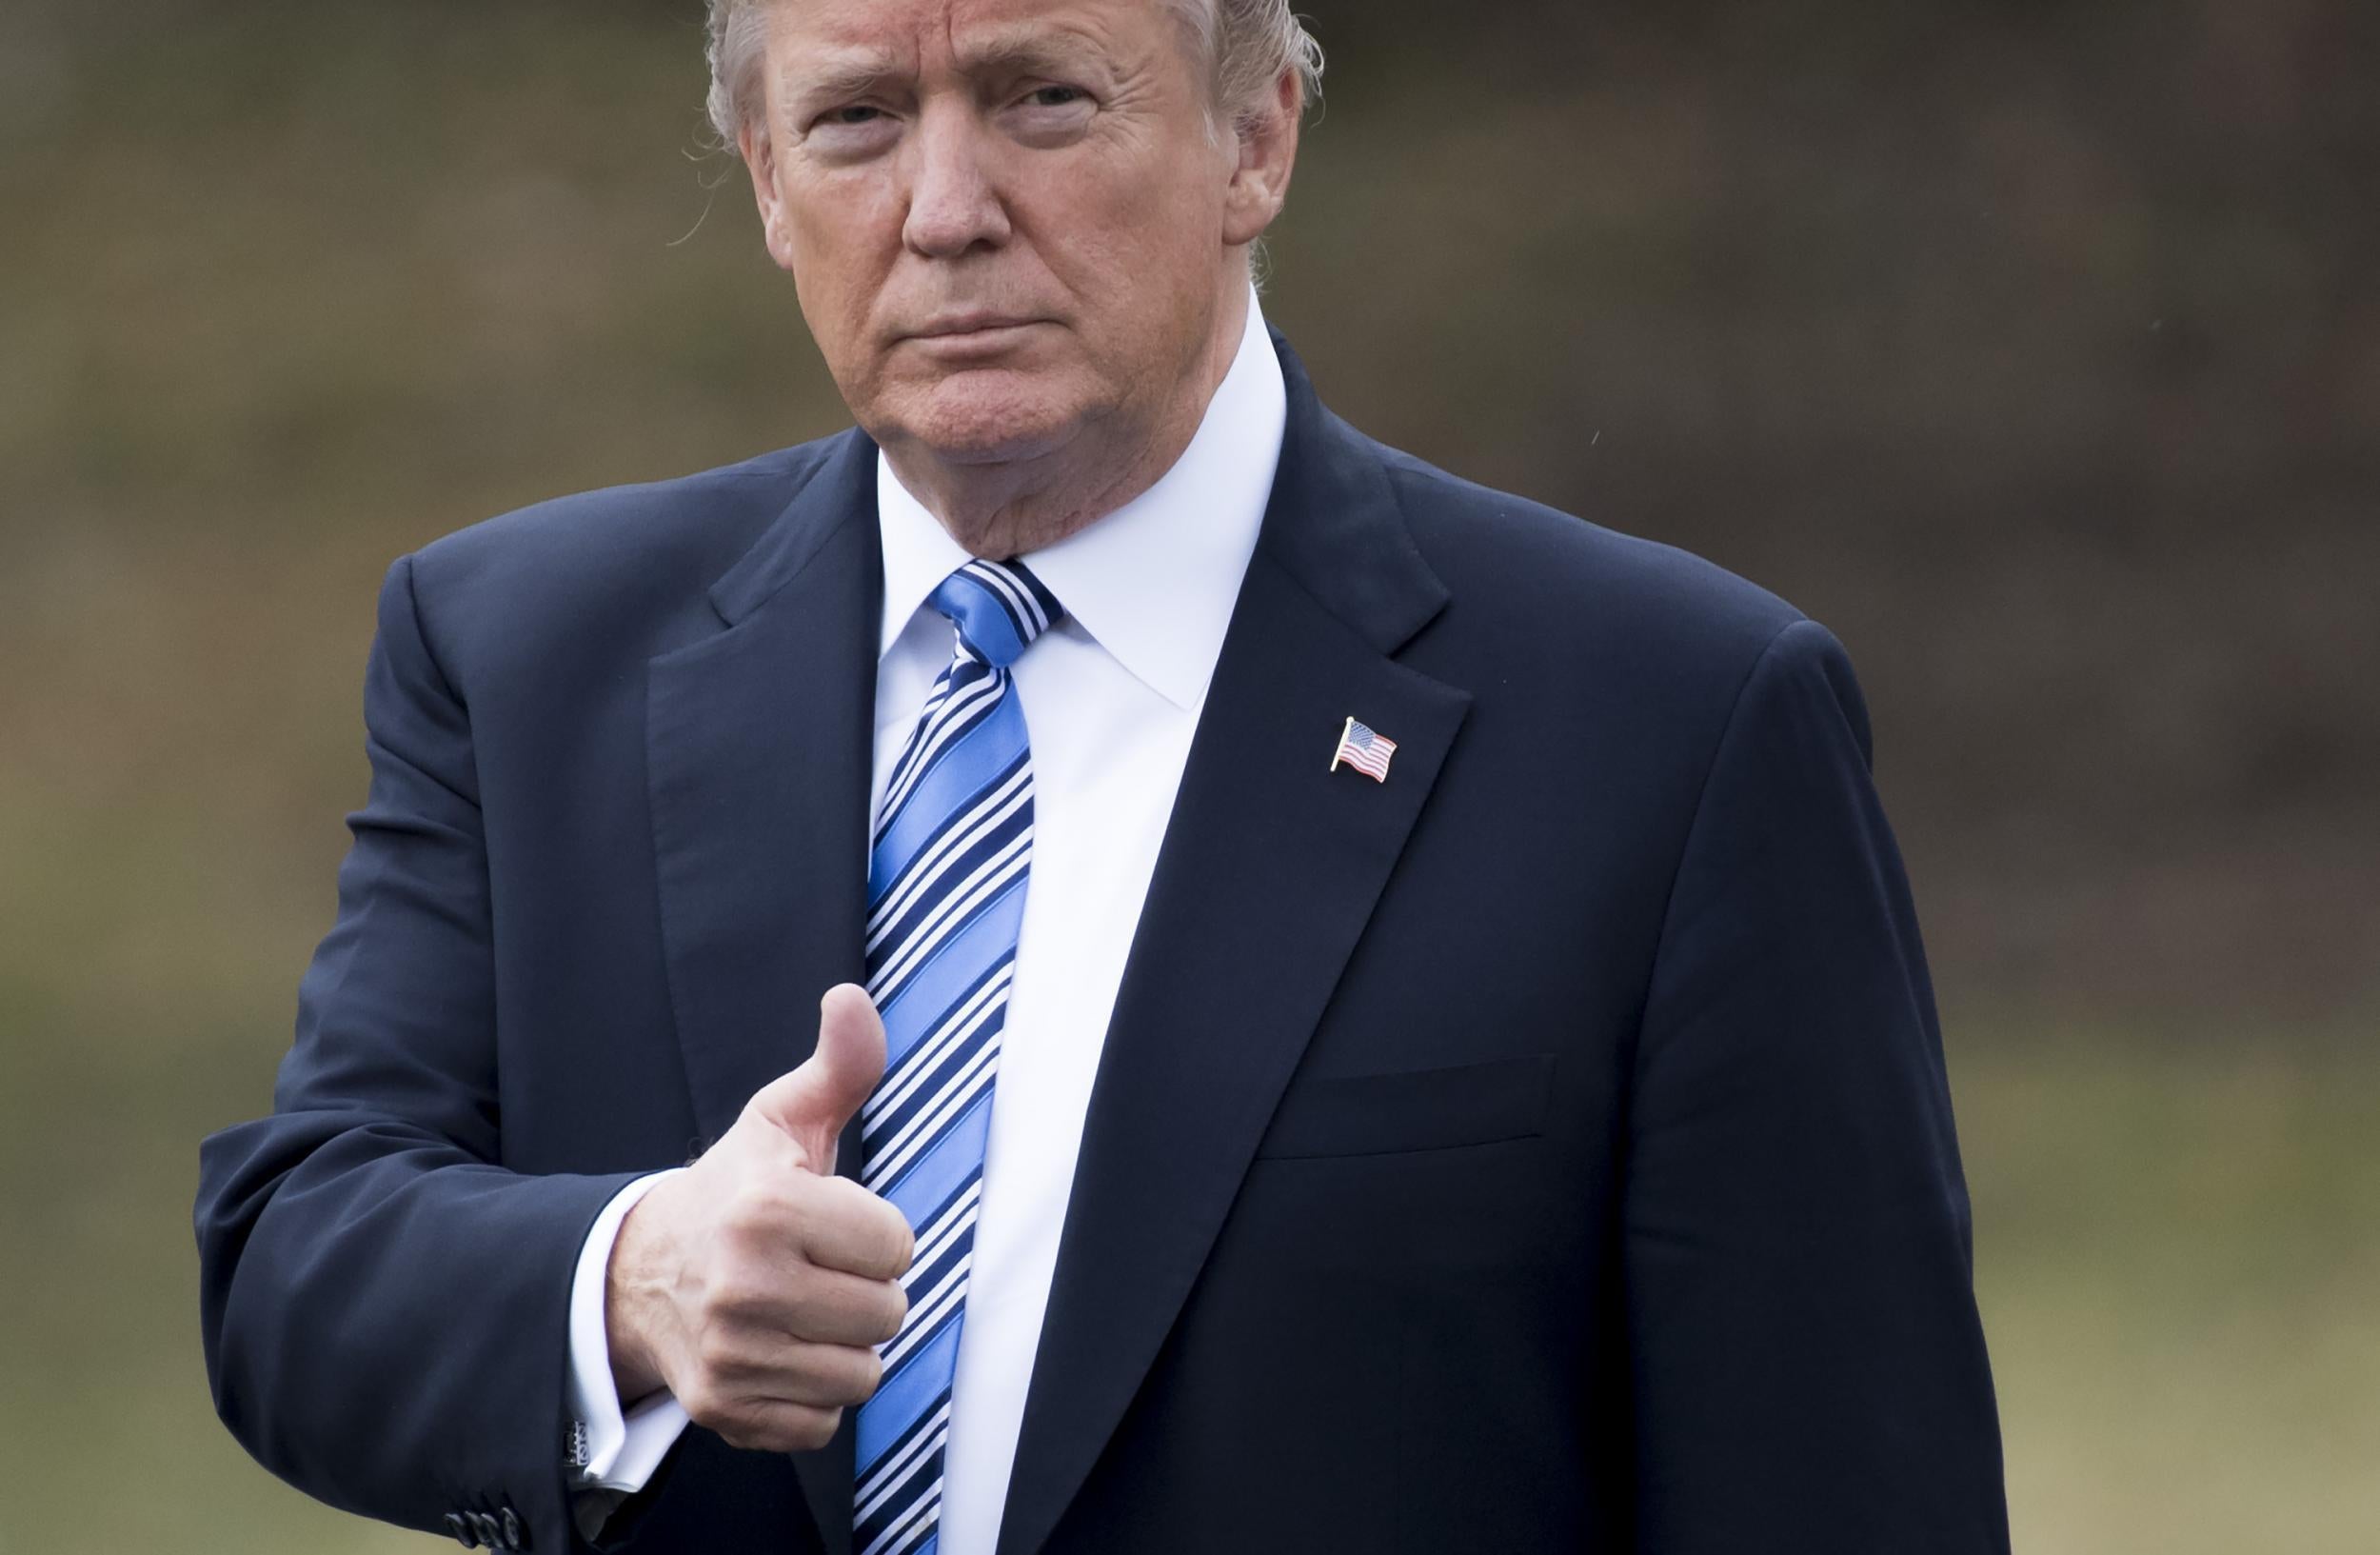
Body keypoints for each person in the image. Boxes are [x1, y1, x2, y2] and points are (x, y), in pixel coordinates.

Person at [195, 1, 2011, 1551]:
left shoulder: (1671, 727)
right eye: (856, 121)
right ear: (762, 179)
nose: (948, 211)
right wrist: (631, 1278)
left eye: (1044, 96)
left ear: (1257, 139)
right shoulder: (522, 654)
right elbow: (298, 1256)